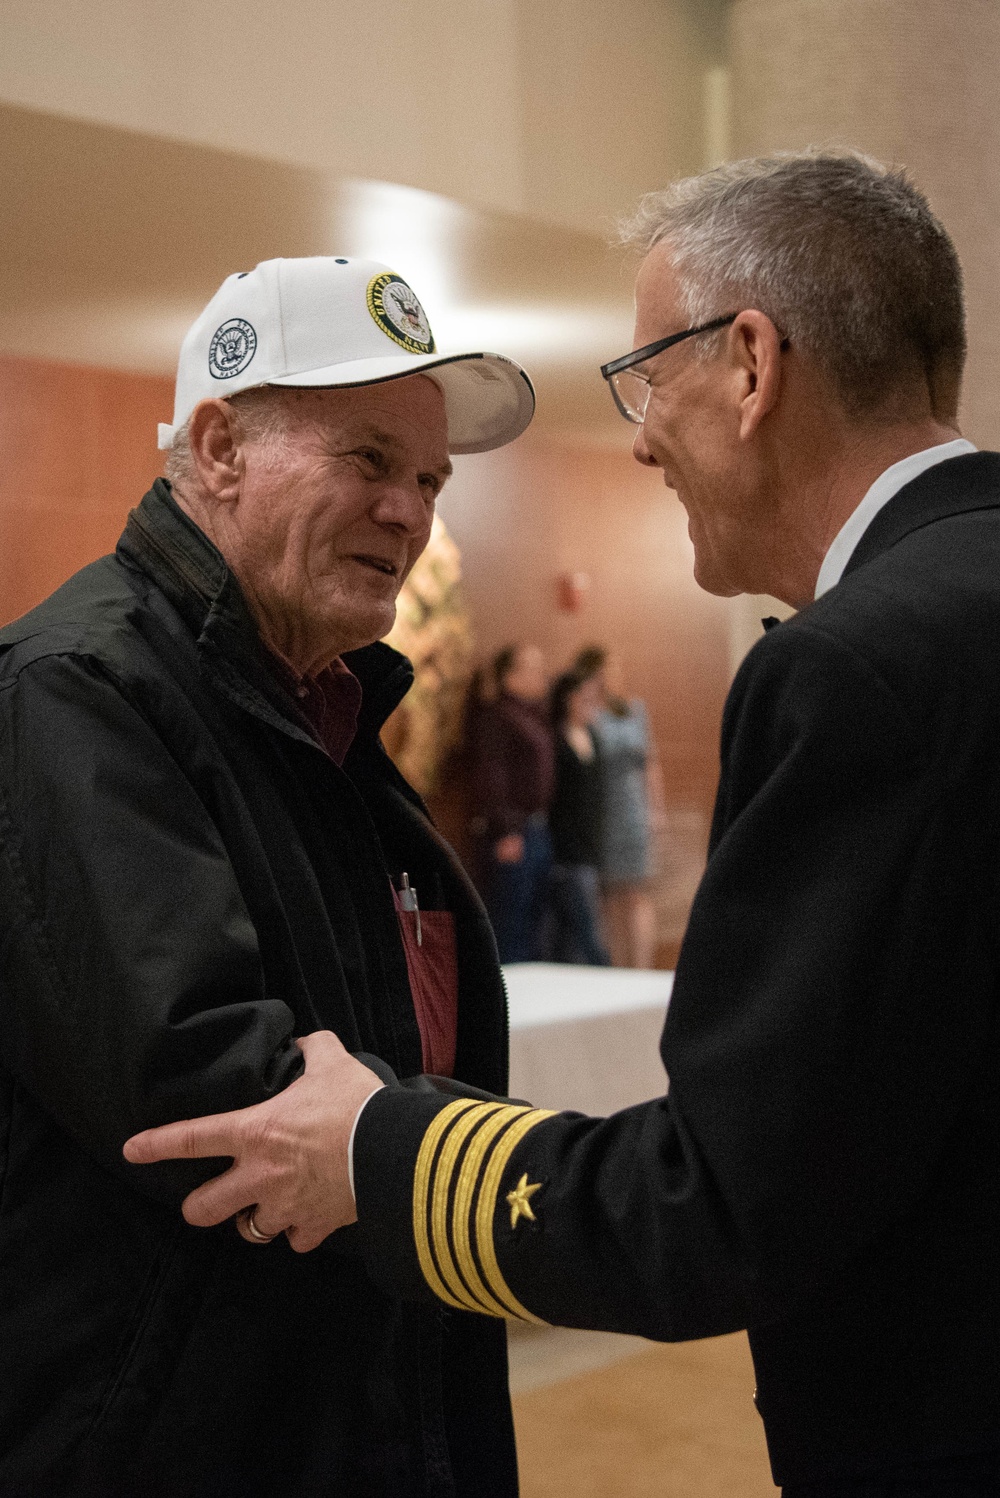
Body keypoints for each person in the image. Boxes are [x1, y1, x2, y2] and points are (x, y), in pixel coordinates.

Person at [127, 152, 1000, 1497]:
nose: (640, 434)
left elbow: (718, 1205)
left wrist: (377, 1148)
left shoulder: (859, 664)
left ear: (752, 362)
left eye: (645, 374)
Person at [0, 253, 535, 1497]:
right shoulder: (75, 695)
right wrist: (532, 1186)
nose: (410, 511)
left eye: (428, 479)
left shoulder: (322, 713)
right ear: (220, 444)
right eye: (367, 460)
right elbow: (209, 1100)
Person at [573, 645, 663, 968]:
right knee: (610, 896)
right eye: (606, 669)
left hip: (633, 807)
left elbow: (649, 763)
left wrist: (656, 808)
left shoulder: (635, 709)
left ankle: (642, 967)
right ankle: (618, 967)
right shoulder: (588, 712)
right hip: (603, 809)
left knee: (637, 892)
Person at [468, 642, 555, 962]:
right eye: (531, 667)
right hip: (513, 833)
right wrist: (507, 831)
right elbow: (492, 776)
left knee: (535, 923)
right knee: (511, 925)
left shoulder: (534, 714)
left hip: (537, 828)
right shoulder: (497, 716)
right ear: (509, 676)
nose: (540, 674)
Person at [545, 669, 610, 965]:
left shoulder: (593, 736)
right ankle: (604, 972)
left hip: (591, 839)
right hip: (565, 844)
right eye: (584, 698)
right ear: (569, 699)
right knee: (583, 928)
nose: (590, 704)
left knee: (575, 928)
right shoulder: (556, 738)